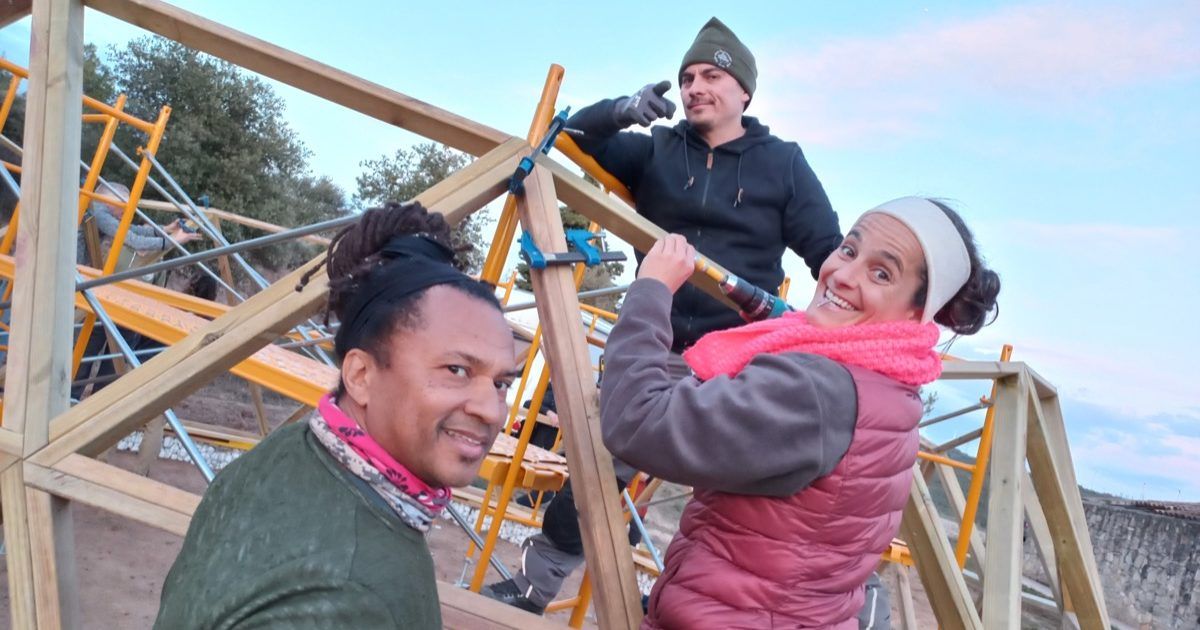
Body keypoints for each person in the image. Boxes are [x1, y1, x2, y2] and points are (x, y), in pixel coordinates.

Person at [485, 15, 843, 614]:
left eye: (711, 76)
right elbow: (570, 135)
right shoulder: (656, 151)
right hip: (656, 341)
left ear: (744, 91)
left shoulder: (781, 163)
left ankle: (694, 600)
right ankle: (537, 582)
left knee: (742, 492)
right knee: (597, 466)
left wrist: (831, 332)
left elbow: (827, 251)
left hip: (740, 350)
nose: (695, 87)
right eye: (687, 78)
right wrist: (623, 108)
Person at [600, 197, 1000, 629]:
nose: (843, 275)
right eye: (849, 250)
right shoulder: (892, 386)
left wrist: (651, 290)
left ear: (915, 313)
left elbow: (638, 422)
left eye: (881, 273)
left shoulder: (815, 391)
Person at [154, 202, 521, 629]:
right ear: (361, 375)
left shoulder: (291, 451)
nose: (491, 409)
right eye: (456, 370)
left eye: (502, 383)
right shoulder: (353, 593)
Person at [76, 182, 199, 267]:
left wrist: (166, 229)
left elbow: (130, 229)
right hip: (75, 271)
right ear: (111, 204)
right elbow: (134, 240)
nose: (125, 213)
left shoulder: (98, 209)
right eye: (123, 207)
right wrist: (173, 240)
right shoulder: (99, 214)